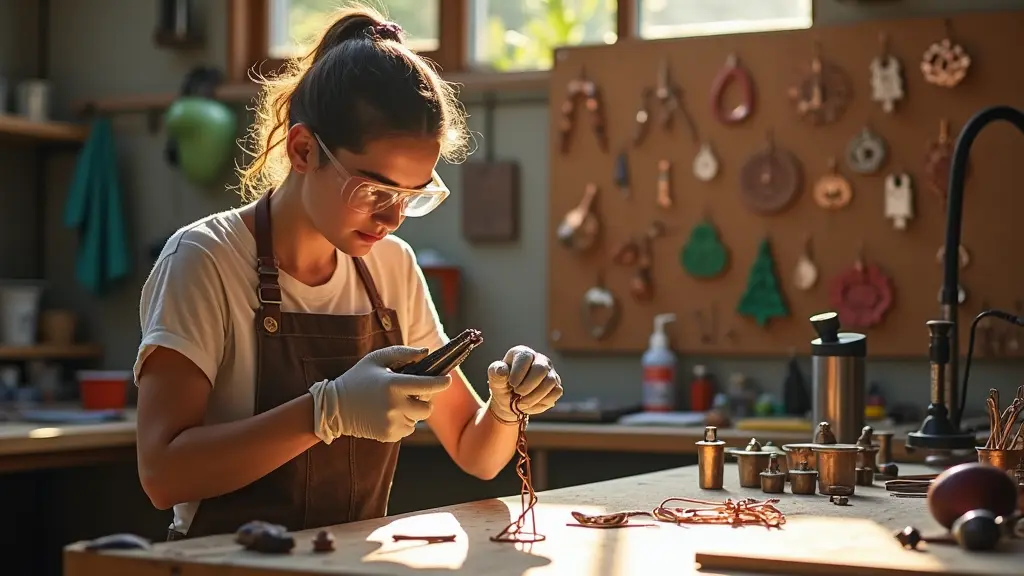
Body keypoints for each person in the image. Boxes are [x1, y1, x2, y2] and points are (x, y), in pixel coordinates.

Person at [134, 5, 563, 540]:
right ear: (303, 149)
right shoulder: (204, 260)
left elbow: (476, 452)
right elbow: (161, 474)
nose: (393, 218)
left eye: (412, 196)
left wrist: (504, 410)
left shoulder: (392, 267)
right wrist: (325, 412)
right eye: (375, 191)